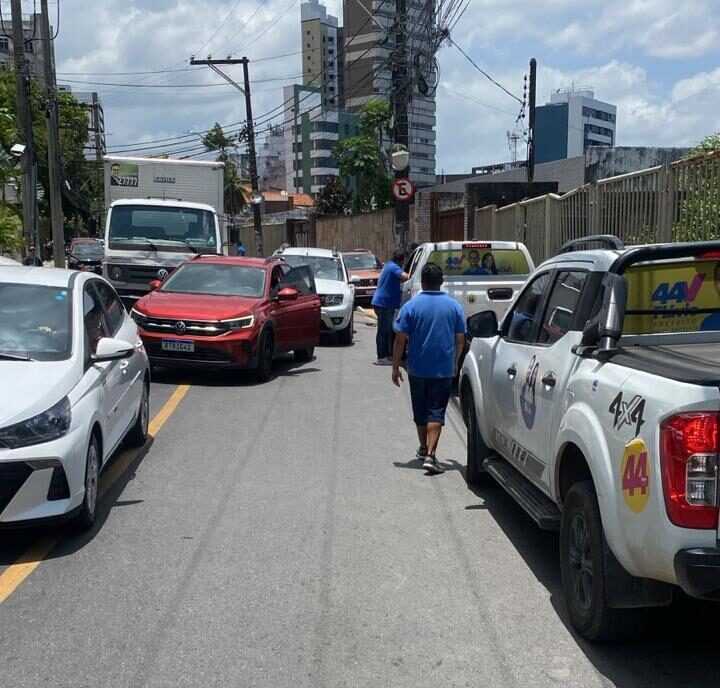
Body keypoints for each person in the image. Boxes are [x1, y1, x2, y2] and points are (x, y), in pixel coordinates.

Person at [392, 262, 466, 475]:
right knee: (436, 411)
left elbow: (400, 340)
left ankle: (425, 449)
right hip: (443, 369)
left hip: (417, 369)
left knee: (421, 410)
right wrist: (455, 361)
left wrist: (396, 367)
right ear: (441, 282)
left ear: (422, 282)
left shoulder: (411, 306)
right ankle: (430, 454)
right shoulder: (454, 307)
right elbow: (460, 339)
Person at [371, 248, 408, 365]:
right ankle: (382, 357)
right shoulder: (393, 267)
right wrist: (413, 273)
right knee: (384, 331)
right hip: (384, 304)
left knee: (386, 330)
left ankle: (387, 355)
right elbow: (405, 277)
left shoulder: (388, 265)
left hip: (383, 303)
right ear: (401, 260)